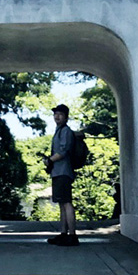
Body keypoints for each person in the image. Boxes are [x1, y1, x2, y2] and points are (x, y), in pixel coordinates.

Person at [44, 103, 78, 246]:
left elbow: (64, 151)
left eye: (60, 114)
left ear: (66, 117)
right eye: (55, 114)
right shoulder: (59, 131)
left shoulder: (66, 131)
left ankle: (72, 235)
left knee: (67, 203)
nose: (57, 116)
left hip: (63, 171)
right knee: (62, 203)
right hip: (58, 172)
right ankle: (64, 233)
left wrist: (49, 160)